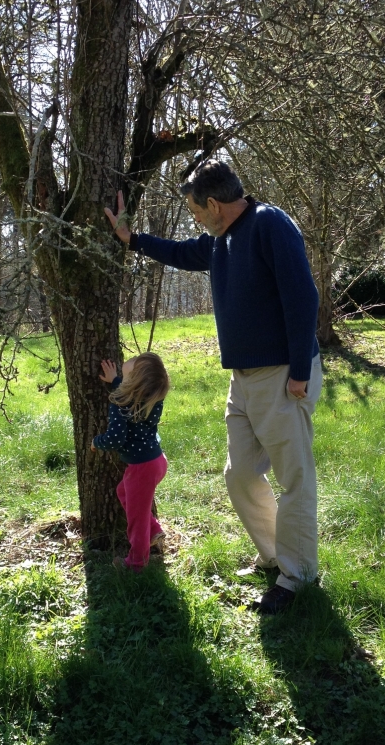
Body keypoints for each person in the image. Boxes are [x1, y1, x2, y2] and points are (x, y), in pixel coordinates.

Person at [105, 159, 322, 614]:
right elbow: (184, 253)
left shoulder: (269, 224)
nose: (195, 219)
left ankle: (297, 575)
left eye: (196, 210)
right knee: (239, 473)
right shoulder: (221, 241)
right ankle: (276, 557)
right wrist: (133, 240)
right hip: (243, 380)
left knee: (294, 477)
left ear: (214, 203)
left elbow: (302, 297)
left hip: (283, 374)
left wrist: (300, 369)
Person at [91, 352, 170, 572]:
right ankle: (153, 529)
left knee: (137, 520)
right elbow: (132, 393)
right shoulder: (153, 397)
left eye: (125, 377)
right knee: (123, 493)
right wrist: (117, 380)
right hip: (156, 461)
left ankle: (136, 564)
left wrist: (97, 442)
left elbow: (116, 438)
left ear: (133, 384)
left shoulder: (119, 403)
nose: (121, 382)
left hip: (141, 468)